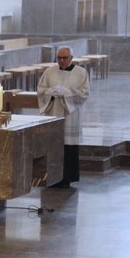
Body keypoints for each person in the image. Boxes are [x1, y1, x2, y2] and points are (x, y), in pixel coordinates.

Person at [37, 45, 90, 189]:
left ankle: (67, 177)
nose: (61, 61)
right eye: (59, 58)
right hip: (54, 113)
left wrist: (67, 93)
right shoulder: (49, 72)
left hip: (70, 115)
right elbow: (41, 90)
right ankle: (52, 178)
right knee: (54, 146)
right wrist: (51, 92)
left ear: (71, 58)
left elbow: (84, 93)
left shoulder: (81, 73)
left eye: (64, 58)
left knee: (69, 147)